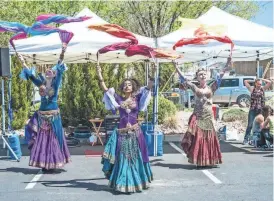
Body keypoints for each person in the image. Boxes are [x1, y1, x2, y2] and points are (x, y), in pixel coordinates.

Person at [96, 64, 153, 193]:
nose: (127, 86)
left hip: (134, 132)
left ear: (133, 87)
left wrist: (153, 73)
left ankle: (136, 181)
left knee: (135, 157)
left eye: (129, 84)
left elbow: (149, 87)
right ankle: (122, 182)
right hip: (122, 133)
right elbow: (106, 90)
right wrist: (100, 75)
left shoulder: (138, 98)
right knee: (122, 158)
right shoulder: (118, 99)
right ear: (122, 87)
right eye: (125, 84)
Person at [18, 46, 70, 172]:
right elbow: (30, 76)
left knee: (53, 140)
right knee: (43, 141)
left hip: (53, 116)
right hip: (42, 116)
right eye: (47, 70)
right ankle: (43, 163)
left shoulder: (55, 85)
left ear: (54, 74)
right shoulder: (40, 84)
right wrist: (22, 61)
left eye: (51, 71)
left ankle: (53, 162)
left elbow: (59, 66)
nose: (48, 71)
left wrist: (62, 52)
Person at [173, 57, 231, 168]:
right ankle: (200, 160)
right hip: (199, 116)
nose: (203, 76)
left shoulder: (212, 87)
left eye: (204, 74)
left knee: (209, 138)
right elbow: (184, 79)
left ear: (207, 76)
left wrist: (227, 63)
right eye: (200, 74)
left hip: (208, 116)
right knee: (199, 138)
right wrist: (176, 67)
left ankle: (210, 159)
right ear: (197, 77)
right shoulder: (195, 88)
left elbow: (221, 75)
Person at [243, 78, 272, 144]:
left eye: (260, 84)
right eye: (258, 84)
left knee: (261, 125)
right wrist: (255, 80)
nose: (259, 85)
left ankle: (261, 140)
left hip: (261, 110)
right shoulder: (252, 89)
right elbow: (245, 81)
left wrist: (262, 79)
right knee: (250, 125)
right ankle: (246, 139)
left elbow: (269, 82)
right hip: (253, 109)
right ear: (255, 84)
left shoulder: (263, 89)